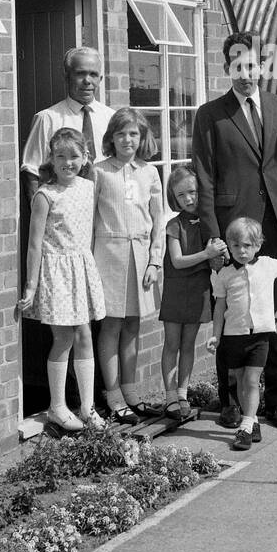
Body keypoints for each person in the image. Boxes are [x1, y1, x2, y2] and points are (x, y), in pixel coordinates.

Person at [192, 31, 277, 432]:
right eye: (237, 67)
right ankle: (231, 403)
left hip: (273, 228)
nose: (246, 74)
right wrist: (214, 238)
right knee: (232, 321)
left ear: (262, 66)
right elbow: (204, 178)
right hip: (233, 235)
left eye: (252, 66)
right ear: (226, 69)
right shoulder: (211, 114)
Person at [15, 128, 107, 433]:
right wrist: (31, 285)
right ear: (51, 160)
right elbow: (35, 243)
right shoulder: (45, 194)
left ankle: (87, 406)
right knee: (64, 338)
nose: (68, 162)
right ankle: (56, 406)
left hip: (80, 268)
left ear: (84, 158)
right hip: (56, 273)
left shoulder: (88, 186)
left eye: (74, 156)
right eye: (61, 156)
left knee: (85, 337)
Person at [92, 108, 164, 424]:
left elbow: (159, 219)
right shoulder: (99, 172)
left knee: (133, 324)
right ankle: (112, 395)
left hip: (141, 254)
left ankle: (131, 391)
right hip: (109, 255)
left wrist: (155, 260)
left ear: (142, 137)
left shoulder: (148, 172)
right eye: (121, 134)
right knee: (112, 324)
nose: (127, 140)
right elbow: (88, 217)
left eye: (133, 134)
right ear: (111, 138)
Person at [209, 216, 277, 452]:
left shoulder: (268, 265)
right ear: (229, 246)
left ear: (258, 246)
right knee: (241, 382)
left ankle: (246, 427)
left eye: (247, 246)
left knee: (252, 380)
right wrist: (215, 335)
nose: (242, 251)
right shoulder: (224, 274)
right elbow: (220, 307)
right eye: (236, 246)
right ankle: (250, 420)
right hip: (233, 336)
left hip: (260, 336)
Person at [159, 165, 226, 419]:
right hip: (177, 290)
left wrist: (217, 254)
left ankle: (183, 392)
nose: (188, 199)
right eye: (181, 195)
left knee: (188, 345)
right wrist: (206, 254)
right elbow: (177, 260)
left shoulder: (209, 223)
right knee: (172, 344)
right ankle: (169, 397)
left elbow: (217, 260)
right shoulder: (174, 225)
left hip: (199, 290)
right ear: (174, 198)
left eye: (192, 192)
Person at [20, 46, 112, 198]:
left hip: (105, 209)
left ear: (100, 79)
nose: (87, 81)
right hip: (63, 211)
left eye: (93, 75)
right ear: (67, 76)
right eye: (80, 73)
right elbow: (32, 173)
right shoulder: (47, 119)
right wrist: (41, 215)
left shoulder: (111, 118)